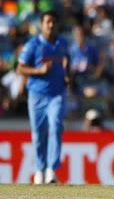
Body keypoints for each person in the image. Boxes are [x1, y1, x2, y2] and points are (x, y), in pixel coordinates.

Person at [17, 11, 69, 185]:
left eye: (53, 22)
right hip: (37, 95)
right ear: (41, 24)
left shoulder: (62, 43)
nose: (51, 25)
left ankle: (51, 170)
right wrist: (39, 71)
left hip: (57, 93)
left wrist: (67, 74)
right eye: (48, 22)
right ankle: (39, 169)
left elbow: (65, 59)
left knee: (56, 126)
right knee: (39, 134)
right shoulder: (33, 45)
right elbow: (20, 68)